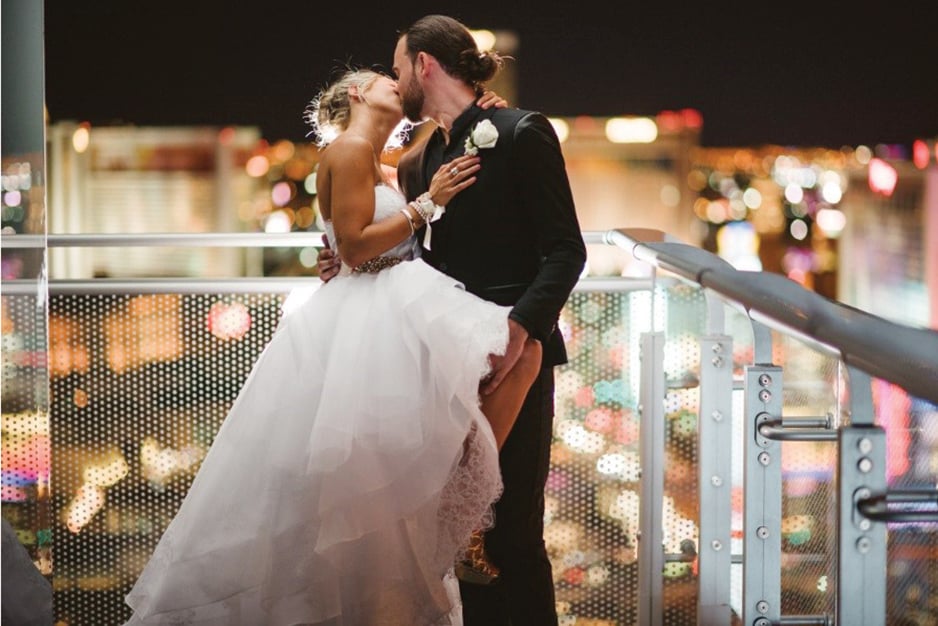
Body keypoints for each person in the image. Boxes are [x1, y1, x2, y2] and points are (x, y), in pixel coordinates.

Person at [122, 71, 541, 625]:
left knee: (511, 361)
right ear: (357, 95)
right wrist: (427, 205)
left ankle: (454, 501)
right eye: (384, 78)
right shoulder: (346, 151)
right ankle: (457, 506)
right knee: (512, 359)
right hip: (374, 312)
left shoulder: (372, 157)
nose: (397, 82)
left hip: (387, 307)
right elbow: (355, 247)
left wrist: (474, 113)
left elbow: (426, 152)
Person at [318, 15, 587, 626]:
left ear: (424, 65)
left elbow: (567, 251)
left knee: (511, 529)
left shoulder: (522, 132)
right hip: (439, 359)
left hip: (513, 354)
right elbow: (408, 246)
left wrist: (520, 332)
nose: (393, 76)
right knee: (446, 531)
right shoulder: (422, 159)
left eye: (396, 65)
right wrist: (344, 254)